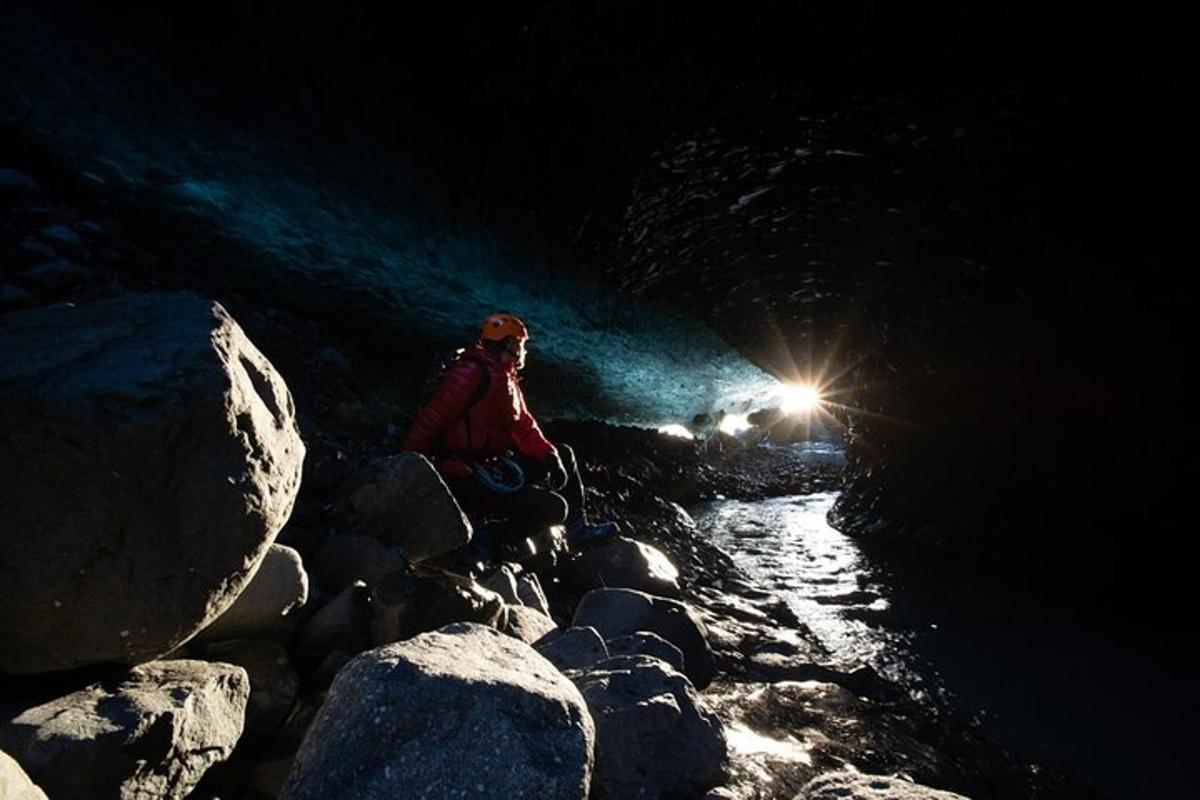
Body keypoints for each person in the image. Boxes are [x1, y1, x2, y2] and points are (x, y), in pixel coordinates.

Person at [401, 312, 616, 560]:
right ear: (509, 343)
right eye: (521, 343)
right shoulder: (472, 373)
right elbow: (432, 419)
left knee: (563, 453)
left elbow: (524, 424)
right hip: (465, 475)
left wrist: (549, 456)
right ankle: (488, 536)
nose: (523, 349)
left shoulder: (505, 375)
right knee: (554, 508)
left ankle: (577, 530)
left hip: (491, 465)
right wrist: (404, 466)